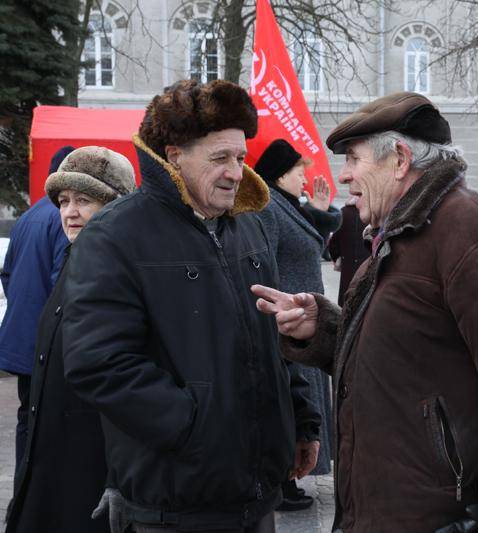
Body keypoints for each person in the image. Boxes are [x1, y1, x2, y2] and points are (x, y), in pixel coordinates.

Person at [252, 91, 478, 532]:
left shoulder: (476, 234)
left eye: (353, 159)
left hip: (444, 517)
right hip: (385, 511)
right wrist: (324, 329)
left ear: (400, 160)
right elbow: (409, 355)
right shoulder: (398, 238)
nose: (343, 175)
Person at [60, 80, 321, 533]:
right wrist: (195, 427)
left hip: (258, 496)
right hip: (176, 503)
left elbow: (272, 333)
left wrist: (301, 421)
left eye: (240, 158)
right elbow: (98, 363)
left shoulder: (249, 226)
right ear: (174, 156)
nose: (236, 173)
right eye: (220, 158)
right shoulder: (115, 235)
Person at [5, 146, 137, 533]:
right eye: (64, 201)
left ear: (115, 205)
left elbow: (135, 385)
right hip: (55, 460)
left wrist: (119, 478)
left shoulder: (125, 271)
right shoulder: (76, 258)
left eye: (84, 200)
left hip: (90, 467)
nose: (69, 212)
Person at [253, 139, 339, 511]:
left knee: (304, 401)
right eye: (298, 172)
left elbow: (314, 241)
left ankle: (291, 474)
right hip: (288, 319)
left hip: (303, 320)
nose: (304, 179)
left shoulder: (287, 205)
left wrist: (318, 211)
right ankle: (283, 477)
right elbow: (265, 260)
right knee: (294, 400)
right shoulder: (269, 207)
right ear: (280, 174)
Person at [0, 146, 72, 474]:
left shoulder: (29, 216)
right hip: (47, 344)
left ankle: (21, 488)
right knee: (51, 424)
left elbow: (7, 274)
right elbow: (63, 283)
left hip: (22, 338)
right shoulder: (64, 218)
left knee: (27, 418)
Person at [327, 200, 370, 306]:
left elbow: (333, 242)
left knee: (346, 299)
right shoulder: (372, 212)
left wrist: (337, 257)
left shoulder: (343, 212)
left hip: (348, 264)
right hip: (368, 263)